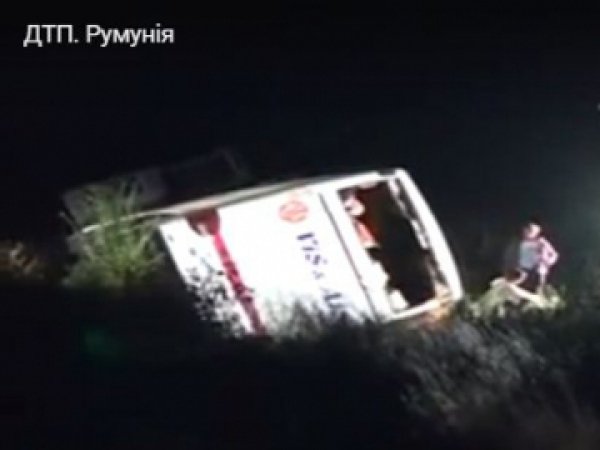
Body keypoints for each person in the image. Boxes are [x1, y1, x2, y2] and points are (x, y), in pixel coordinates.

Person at [517, 222, 559, 293]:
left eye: (532, 231)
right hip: (526, 271)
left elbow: (554, 254)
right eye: (528, 230)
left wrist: (547, 262)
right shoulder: (523, 243)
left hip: (539, 272)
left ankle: (541, 289)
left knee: (540, 276)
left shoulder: (541, 242)